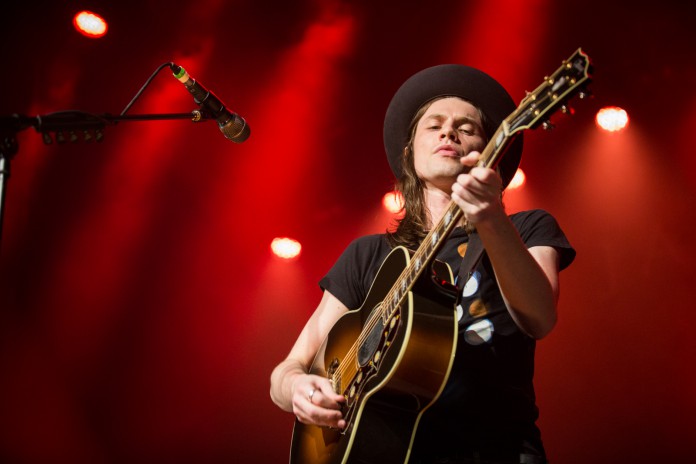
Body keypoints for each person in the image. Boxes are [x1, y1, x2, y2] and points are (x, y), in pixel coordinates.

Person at [270, 64, 576, 464]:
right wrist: (298, 389)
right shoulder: (368, 255)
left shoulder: (526, 228)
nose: (450, 132)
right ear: (410, 154)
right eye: (434, 126)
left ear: (491, 152)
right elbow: (288, 368)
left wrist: (491, 220)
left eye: (467, 128)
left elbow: (540, 318)